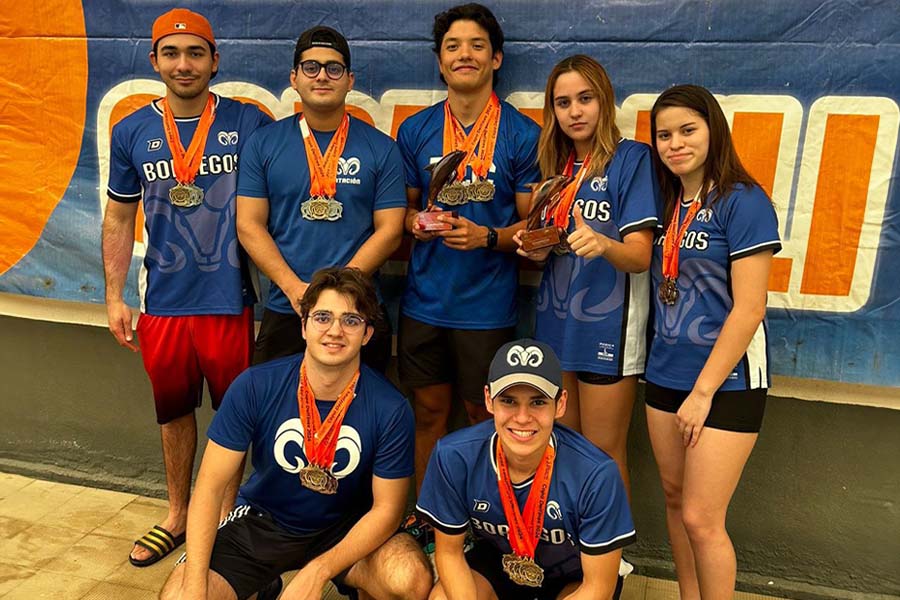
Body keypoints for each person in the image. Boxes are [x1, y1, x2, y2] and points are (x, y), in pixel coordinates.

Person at [102, 7, 271, 567]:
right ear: (153, 61)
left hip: (230, 301)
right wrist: (113, 296)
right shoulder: (131, 131)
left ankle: (221, 522)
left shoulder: (248, 123)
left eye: (196, 53)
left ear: (215, 61)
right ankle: (177, 514)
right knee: (174, 412)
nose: (183, 64)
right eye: (171, 53)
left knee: (233, 416)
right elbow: (120, 219)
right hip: (164, 304)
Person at [159, 267, 432, 600]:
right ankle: (263, 579)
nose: (335, 331)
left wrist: (319, 571)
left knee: (410, 579)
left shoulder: (391, 408)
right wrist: (194, 586)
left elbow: (387, 511)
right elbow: (210, 489)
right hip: (264, 521)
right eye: (322, 318)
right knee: (179, 597)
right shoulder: (255, 386)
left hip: (347, 526)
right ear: (303, 327)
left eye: (351, 320)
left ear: (367, 334)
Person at [396, 3, 541, 490]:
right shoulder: (415, 130)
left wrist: (489, 237)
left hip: (487, 307)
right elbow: (401, 211)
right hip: (424, 302)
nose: (464, 55)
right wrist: (415, 223)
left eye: (477, 46)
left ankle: (480, 519)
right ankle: (425, 514)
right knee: (429, 412)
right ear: (439, 62)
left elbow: (534, 225)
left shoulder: (522, 135)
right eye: (452, 47)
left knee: (482, 416)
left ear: (496, 59)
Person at [645, 84, 781, 599]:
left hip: (728, 382)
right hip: (663, 374)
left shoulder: (743, 201)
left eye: (687, 130)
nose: (675, 143)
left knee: (703, 518)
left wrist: (703, 391)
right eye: (664, 135)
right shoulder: (666, 201)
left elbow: (750, 308)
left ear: (713, 131)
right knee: (676, 501)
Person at [514, 55, 658, 501]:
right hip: (558, 326)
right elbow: (553, 249)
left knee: (604, 451)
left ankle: (611, 561)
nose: (574, 111)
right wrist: (533, 247)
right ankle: (575, 555)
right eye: (562, 102)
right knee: (565, 448)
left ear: (605, 101)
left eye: (585, 99)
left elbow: (639, 255)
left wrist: (602, 244)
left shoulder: (632, 159)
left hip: (608, 329)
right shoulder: (554, 170)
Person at [237, 26, 407, 372]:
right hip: (289, 304)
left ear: (350, 80)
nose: (322, 76)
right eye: (311, 67)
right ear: (294, 78)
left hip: (357, 308)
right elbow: (248, 224)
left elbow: (390, 230)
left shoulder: (382, 148)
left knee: (362, 414)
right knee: (275, 412)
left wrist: (338, 293)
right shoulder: (263, 144)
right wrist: (294, 288)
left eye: (334, 68)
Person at [416, 339, 635, 600]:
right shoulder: (454, 456)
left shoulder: (596, 474)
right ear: (488, 399)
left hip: (573, 575)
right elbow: (449, 554)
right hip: (500, 564)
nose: (522, 417)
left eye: (538, 402)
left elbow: (597, 587)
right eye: (508, 401)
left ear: (560, 404)